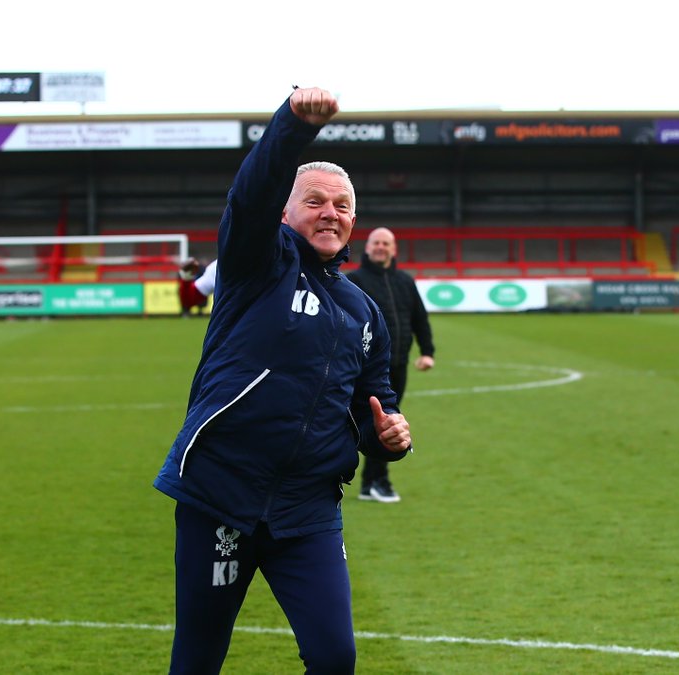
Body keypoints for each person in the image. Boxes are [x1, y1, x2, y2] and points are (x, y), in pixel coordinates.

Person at [153, 87, 412, 675]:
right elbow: (251, 193)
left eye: (342, 205)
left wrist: (389, 436)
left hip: (308, 508)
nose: (330, 213)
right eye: (314, 200)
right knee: (197, 657)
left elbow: (375, 405)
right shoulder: (254, 266)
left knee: (334, 657)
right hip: (221, 494)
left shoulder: (361, 310)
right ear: (284, 213)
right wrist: (291, 126)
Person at [345, 227, 435, 503]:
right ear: (367, 247)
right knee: (372, 422)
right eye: (376, 243)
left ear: (393, 249)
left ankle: (372, 482)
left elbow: (419, 318)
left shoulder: (405, 281)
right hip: (366, 369)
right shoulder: (353, 281)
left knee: (389, 421)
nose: (381, 247)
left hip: (398, 364)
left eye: (386, 243)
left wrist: (427, 351)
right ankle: (375, 481)